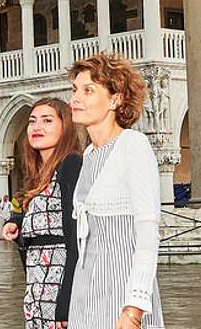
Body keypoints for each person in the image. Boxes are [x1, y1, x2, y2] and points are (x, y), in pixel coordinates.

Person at [66, 53, 163, 329]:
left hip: (122, 294)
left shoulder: (133, 146)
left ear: (115, 99)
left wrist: (134, 307)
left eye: (88, 91)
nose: (76, 98)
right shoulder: (88, 155)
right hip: (86, 294)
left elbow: (147, 234)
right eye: (75, 90)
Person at [2, 98, 84, 329]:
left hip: (58, 286)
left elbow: (75, 237)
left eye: (47, 120)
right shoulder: (38, 174)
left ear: (64, 126)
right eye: (32, 121)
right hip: (36, 285)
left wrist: (66, 302)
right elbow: (44, 222)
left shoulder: (71, 165)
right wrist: (17, 222)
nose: (37, 127)